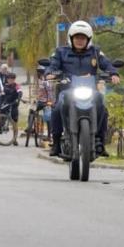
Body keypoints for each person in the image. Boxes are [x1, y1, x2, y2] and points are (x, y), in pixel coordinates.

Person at [46, 20, 119, 157]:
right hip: (67, 90)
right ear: (71, 38)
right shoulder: (61, 52)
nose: (80, 40)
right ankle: (56, 143)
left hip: (90, 90)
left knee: (102, 106)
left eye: (83, 38)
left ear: (88, 39)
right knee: (57, 108)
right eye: (77, 37)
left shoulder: (95, 52)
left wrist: (113, 73)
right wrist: (49, 73)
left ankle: (99, 141)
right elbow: (52, 65)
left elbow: (107, 64)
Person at [1, 72, 22, 145]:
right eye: (9, 79)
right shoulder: (5, 86)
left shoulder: (17, 86)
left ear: (14, 79)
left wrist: (18, 100)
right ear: (7, 79)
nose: (10, 80)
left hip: (14, 104)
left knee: (15, 122)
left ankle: (15, 139)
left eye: (12, 79)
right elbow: (1, 94)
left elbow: (20, 92)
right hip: (5, 104)